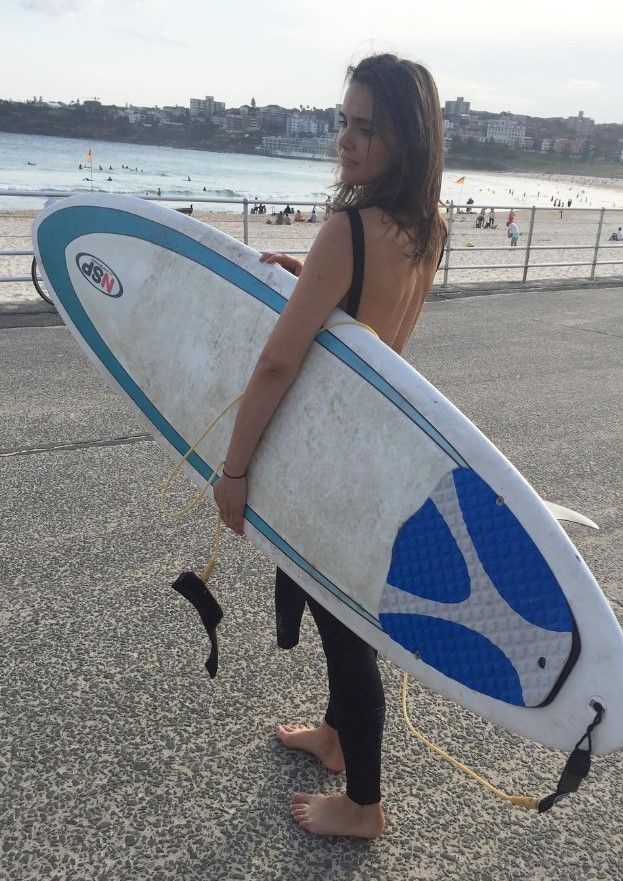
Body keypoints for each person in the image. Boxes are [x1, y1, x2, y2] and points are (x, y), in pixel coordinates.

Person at [214, 52, 447, 840]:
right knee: (335, 608)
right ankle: (336, 735)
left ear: (404, 138)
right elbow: (370, 335)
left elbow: (278, 363)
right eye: (343, 122)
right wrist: (312, 280)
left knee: (347, 633)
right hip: (370, 449)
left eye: (366, 128)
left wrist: (235, 470)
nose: (344, 140)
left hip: (327, 464)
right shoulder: (428, 228)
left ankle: (365, 803)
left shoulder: (347, 229)